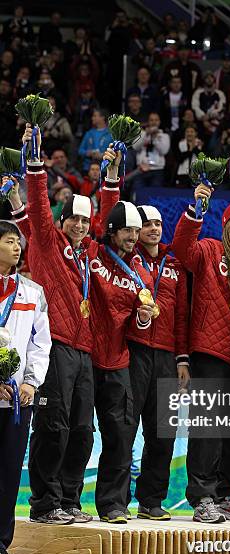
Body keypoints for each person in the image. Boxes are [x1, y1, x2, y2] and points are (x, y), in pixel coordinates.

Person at [172, 188, 230, 523]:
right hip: (212, 351)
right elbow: (181, 248)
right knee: (207, 428)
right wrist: (196, 211)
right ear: (226, 224)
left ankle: (227, 494)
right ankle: (202, 498)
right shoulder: (210, 251)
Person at [18, 125, 95, 525]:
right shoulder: (48, 244)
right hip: (57, 346)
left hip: (84, 351)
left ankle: (69, 500)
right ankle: (44, 505)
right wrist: (36, 164)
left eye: (86, 221)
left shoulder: (88, 256)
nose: (80, 226)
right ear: (63, 221)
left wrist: (112, 176)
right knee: (53, 428)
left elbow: (113, 216)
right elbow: (38, 207)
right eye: (74, 220)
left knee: (82, 432)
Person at [88, 147, 154, 524]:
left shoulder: (142, 275)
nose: (132, 236)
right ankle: (66, 501)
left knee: (120, 436)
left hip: (118, 362)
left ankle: (113, 504)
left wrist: (143, 319)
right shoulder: (94, 254)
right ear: (112, 231)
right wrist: (112, 171)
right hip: (85, 356)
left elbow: (135, 326)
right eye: (126, 230)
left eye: (135, 230)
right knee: (79, 433)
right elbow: (106, 207)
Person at [126, 205, 190, 520]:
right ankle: (115, 499)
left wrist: (182, 358)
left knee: (163, 431)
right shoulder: (126, 258)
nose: (153, 229)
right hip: (133, 350)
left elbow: (180, 314)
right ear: (136, 228)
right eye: (147, 224)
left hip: (166, 354)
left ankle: (151, 500)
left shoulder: (174, 263)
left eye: (157, 224)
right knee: (125, 427)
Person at [0, 220, 51, 554]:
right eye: (9, 241)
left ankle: (0, 542)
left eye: (18, 242)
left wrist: (32, 382)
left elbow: (40, 343)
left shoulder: (32, 293)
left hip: (16, 399)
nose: (17, 247)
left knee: (7, 473)